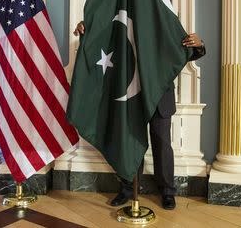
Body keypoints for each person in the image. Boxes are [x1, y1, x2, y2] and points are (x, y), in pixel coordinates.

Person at [74, 22, 206, 210]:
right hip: (132, 97)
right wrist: (87, 31)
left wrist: (199, 45)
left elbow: (185, 50)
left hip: (160, 97)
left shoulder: (162, 21)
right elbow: (104, 44)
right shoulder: (126, 20)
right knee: (130, 144)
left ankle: (167, 191)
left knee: (162, 144)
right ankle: (128, 189)